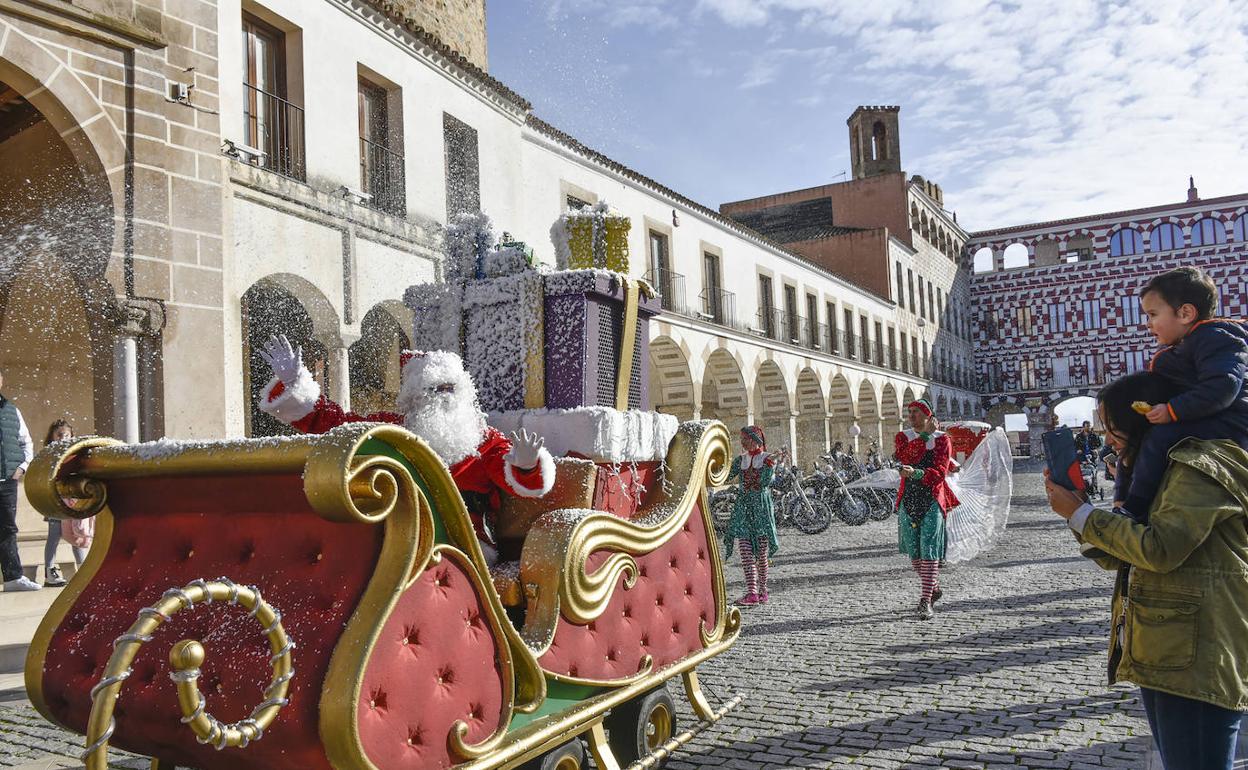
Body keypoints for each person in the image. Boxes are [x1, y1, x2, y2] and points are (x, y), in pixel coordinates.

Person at [1045, 371, 1247, 769]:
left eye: (1113, 428)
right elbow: (1124, 554)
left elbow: (1159, 549)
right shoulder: (1157, 469)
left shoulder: (1199, 467)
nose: (1107, 440)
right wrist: (1077, 511)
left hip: (1200, 655)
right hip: (1169, 648)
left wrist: (1083, 514)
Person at [257, 336, 553, 564]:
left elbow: (510, 472)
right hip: (395, 538)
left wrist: (525, 465)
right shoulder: (392, 430)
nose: (445, 398)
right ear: (414, 398)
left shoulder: (483, 439)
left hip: (461, 545)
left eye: (451, 389)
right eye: (436, 390)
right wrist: (297, 386)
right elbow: (336, 425)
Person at [1119, 267, 1248, 520]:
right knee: (1136, 442)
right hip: (1211, 418)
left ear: (1185, 313)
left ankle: (1137, 507)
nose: (1147, 324)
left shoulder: (1216, 338)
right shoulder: (1187, 345)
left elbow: (1221, 387)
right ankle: (1122, 498)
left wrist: (1172, 410)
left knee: (1160, 437)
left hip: (1232, 422)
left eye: (1153, 314)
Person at [894, 399, 959, 620]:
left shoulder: (943, 440)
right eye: (909, 412)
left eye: (916, 412)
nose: (911, 416)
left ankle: (925, 601)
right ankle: (934, 586)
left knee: (929, 549)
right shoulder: (903, 436)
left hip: (932, 498)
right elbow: (904, 457)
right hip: (909, 498)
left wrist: (918, 474)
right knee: (914, 554)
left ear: (928, 415)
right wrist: (923, 437)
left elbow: (940, 471)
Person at [722, 426, 777, 607]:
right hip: (744, 508)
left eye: (745, 438)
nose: (742, 442)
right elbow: (725, 476)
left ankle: (762, 591)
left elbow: (764, 483)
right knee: (745, 550)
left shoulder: (767, 459)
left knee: (761, 553)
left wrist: (769, 467)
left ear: (755, 440)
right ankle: (752, 592)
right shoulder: (741, 460)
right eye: (741, 438)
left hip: (760, 508)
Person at [0, 370, 37, 591]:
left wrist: (22, 467)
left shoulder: (12, 410)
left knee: (7, 528)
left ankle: (13, 578)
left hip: (7, 480)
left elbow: (27, 443)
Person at [40, 420, 89, 587]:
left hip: (72, 499)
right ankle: (49, 571)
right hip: (55, 500)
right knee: (54, 535)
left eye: (66, 435)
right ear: (52, 437)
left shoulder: (74, 453)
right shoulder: (49, 454)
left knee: (77, 534)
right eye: (59, 435)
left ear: (72, 436)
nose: (63, 438)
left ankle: (83, 570)